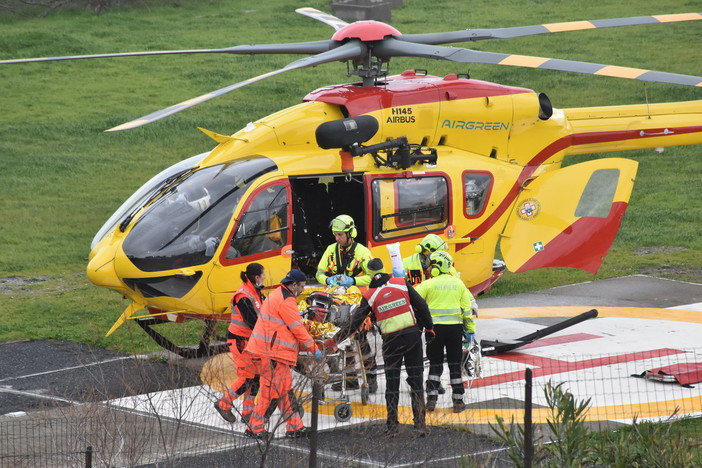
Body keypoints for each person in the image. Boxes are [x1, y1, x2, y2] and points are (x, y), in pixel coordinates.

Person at [331, 258, 434, 437]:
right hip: (412, 336)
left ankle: (392, 426)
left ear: (369, 274)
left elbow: (354, 322)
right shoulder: (401, 283)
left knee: (392, 383)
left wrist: (335, 340)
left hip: (391, 341)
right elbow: (422, 305)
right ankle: (420, 424)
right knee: (416, 380)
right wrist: (429, 328)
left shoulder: (369, 295)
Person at [243, 269, 322, 439]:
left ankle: (294, 426)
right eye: (301, 286)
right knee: (270, 391)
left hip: (269, 350)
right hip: (272, 353)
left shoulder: (278, 294)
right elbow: (297, 329)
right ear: (293, 285)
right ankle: (254, 427)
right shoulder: (286, 301)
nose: (302, 290)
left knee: (284, 389)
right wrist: (314, 349)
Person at [315, 214, 378, 393]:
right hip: (336, 301)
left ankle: (371, 377)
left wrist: (352, 281)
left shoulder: (363, 252)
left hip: (358, 302)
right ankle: (349, 380)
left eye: (340, 235)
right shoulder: (330, 250)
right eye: (335, 235)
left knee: (361, 340)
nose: (337, 238)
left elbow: (372, 276)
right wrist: (329, 280)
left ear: (351, 233)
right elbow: (319, 273)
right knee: (342, 339)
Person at [414, 251, 478, 413]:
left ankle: (431, 399)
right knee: (455, 365)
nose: (428, 268)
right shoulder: (458, 284)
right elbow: (467, 310)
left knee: (435, 365)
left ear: (436, 267)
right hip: (455, 331)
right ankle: (458, 401)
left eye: (430, 265)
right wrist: (470, 331)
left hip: (434, 330)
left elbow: (414, 300)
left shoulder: (428, 284)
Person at [214, 263, 266, 424]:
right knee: (247, 377)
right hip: (240, 341)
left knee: (255, 377)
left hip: (250, 341)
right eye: (263, 274)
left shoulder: (255, 293)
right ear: (257, 277)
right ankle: (223, 403)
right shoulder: (243, 296)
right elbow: (252, 321)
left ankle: (248, 411)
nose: (265, 277)